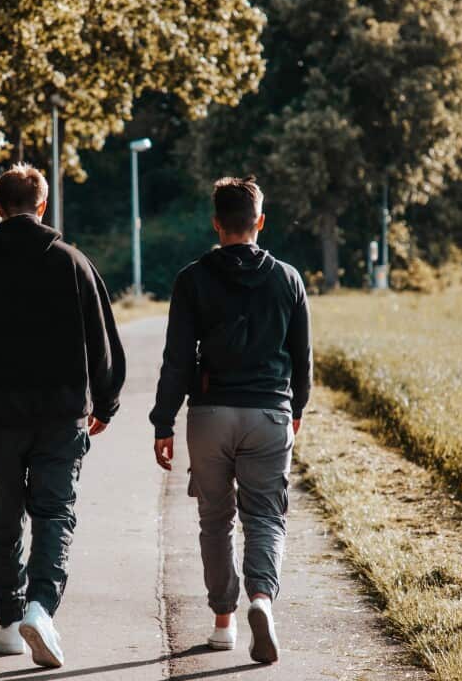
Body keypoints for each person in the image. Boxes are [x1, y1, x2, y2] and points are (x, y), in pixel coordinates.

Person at [0, 163, 126, 669]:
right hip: (61, 416)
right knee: (55, 512)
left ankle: (7, 621)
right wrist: (104, 403)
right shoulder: (71, 262)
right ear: (42, 206)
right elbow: (102, 342)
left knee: (4, 515)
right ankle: (41, 607)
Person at [149, 175, 311, 664]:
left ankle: (224, 623)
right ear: (260, 222)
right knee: (264, 516)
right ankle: (261, 597)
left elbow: (176, 359)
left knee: (214, 521)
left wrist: (163, 423)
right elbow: (301, 357)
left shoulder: (192, 278)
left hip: (210, 415)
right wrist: (296, 409)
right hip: (268, 412)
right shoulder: (288, 279)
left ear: (216, 223)